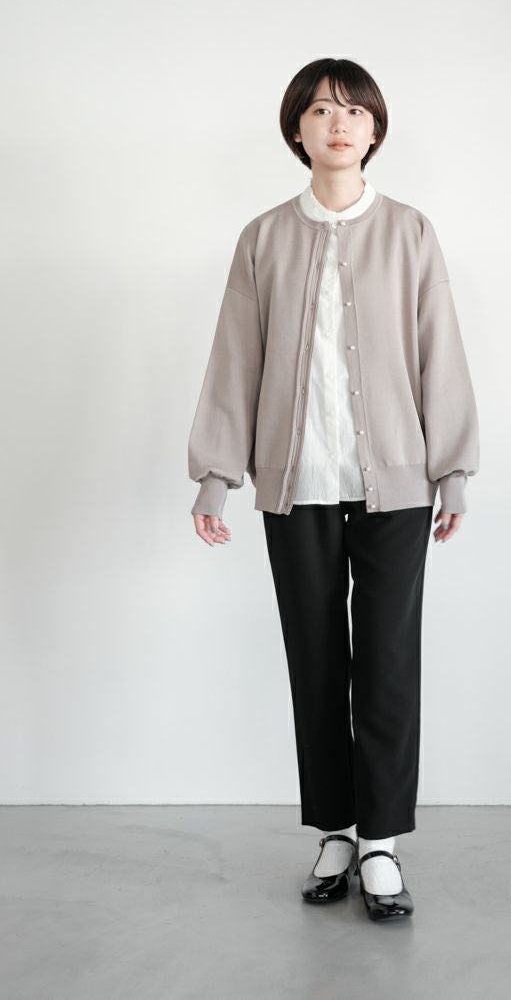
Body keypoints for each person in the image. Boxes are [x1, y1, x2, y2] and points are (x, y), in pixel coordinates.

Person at [187, 58, 480, 921]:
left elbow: (440, 349)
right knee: (315, 663)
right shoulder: (263, 238)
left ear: (375, 129)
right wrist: (215, 475)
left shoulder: (411, 232)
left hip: (396, 490)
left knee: (386, 663)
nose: (338, 123)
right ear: (297, 130)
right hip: (297, 486)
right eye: (320, 110)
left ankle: (382, 842)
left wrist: (452, 470)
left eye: (353, 111)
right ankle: (337, 831)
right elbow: (235, 358)